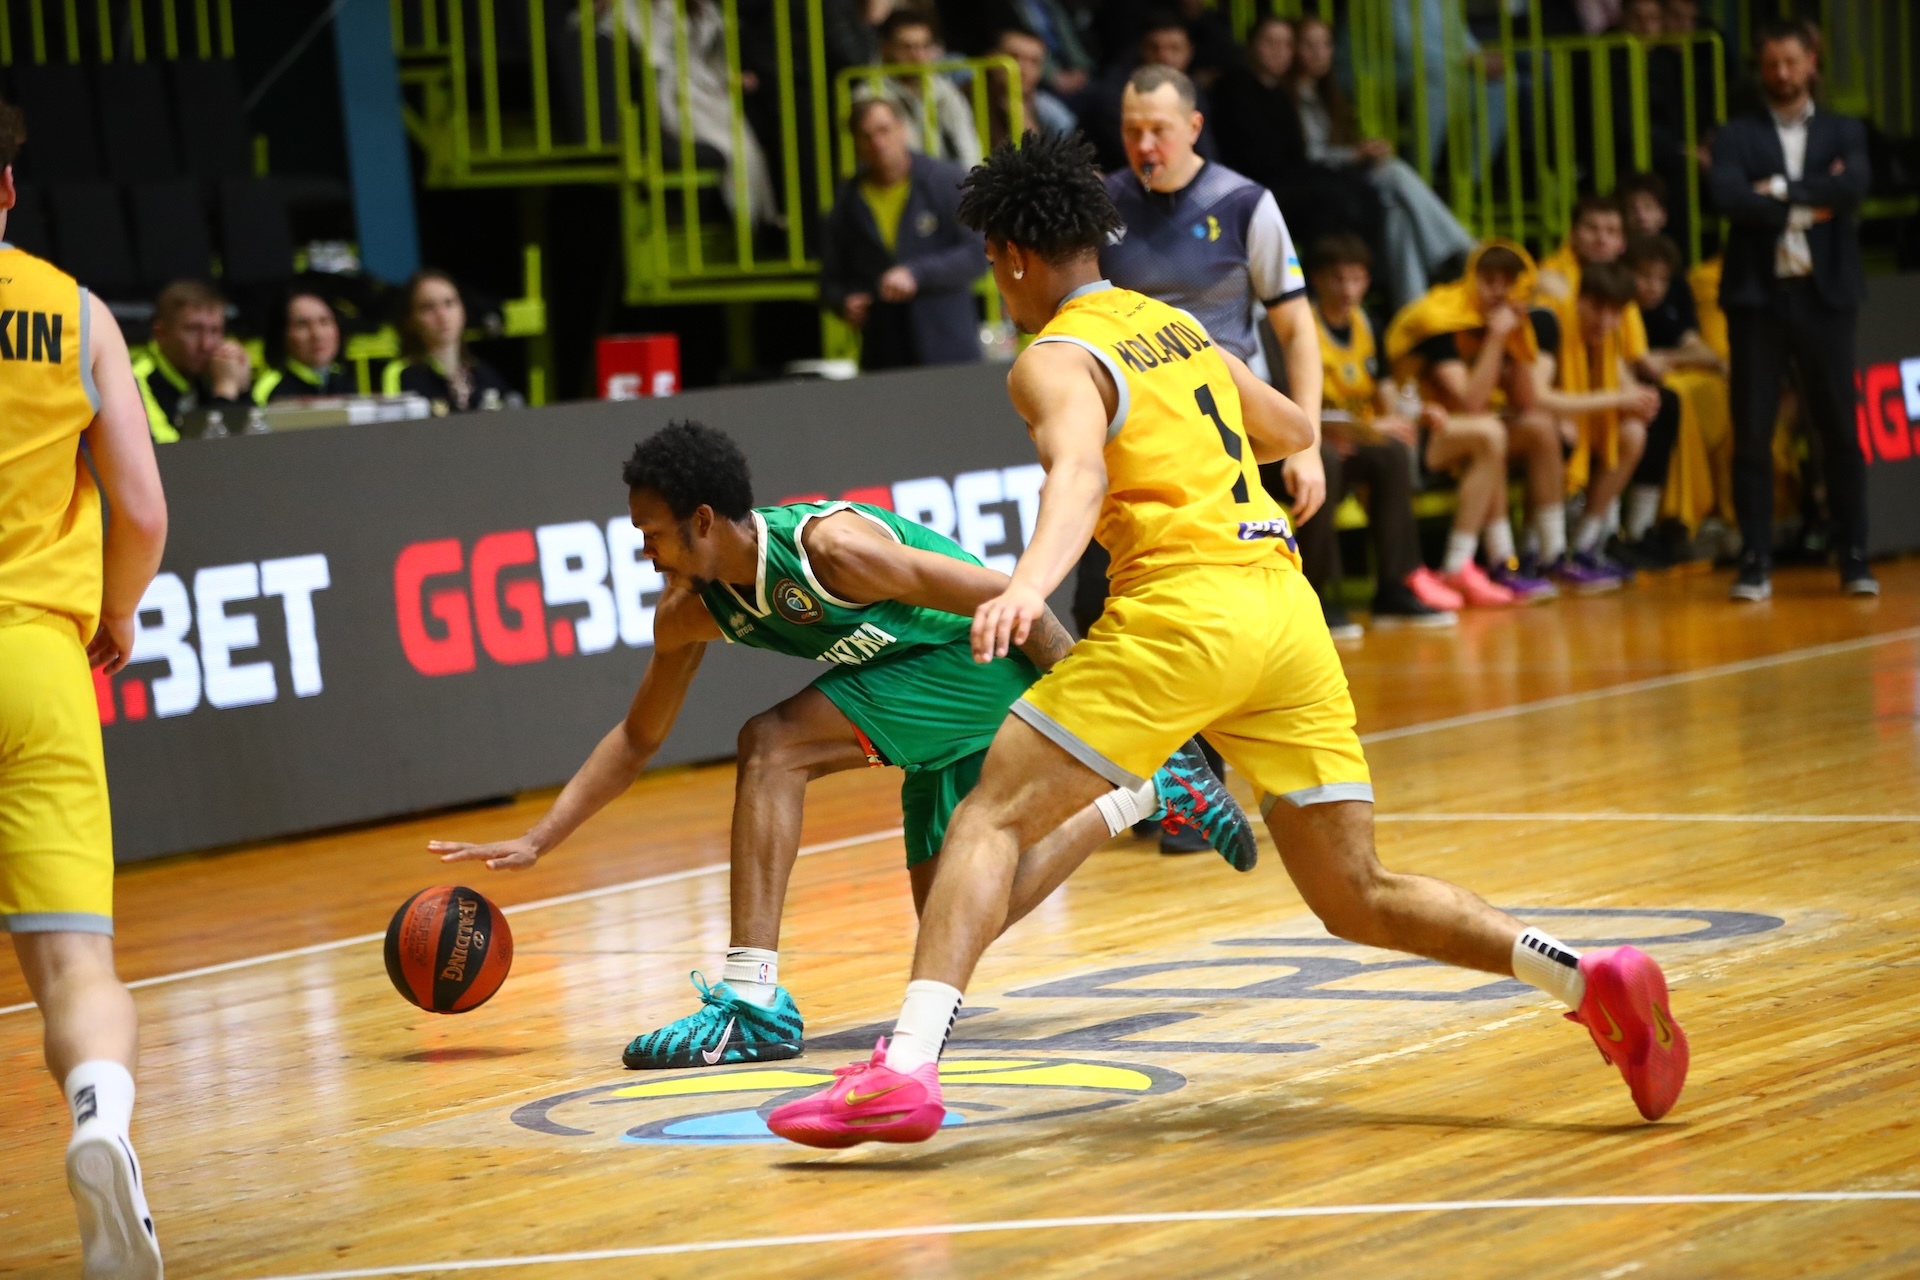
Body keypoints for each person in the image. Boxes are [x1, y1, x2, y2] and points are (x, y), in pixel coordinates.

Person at [764, 131, 1690, 1148]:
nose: (996, 279)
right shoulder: (1170, 325)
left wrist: (1028, 585)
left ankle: (903, 1070)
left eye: (993, 260)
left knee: (988, 818)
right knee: (1358, 893)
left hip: (1183, 611)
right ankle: (1583, 975)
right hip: (1285, 616)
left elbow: (1080, 472)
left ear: (1016, 256)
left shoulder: (1052, 359)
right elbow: (1290, 427)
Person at [430, 421, 1254, 1069]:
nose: (641, 550)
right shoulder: (688, 612)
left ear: (703, 522)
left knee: (772, 744)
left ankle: (750, 999)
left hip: (969, 656)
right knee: (955, 915)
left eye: (651, 532)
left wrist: (1103, 721)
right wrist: (541, 839)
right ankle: (1136, 796)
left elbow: (1017, 600)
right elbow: (639, 737)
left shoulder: (832, 552)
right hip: (912, 679)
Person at [2, 106, 170, 1277]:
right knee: (77, 968)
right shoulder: (75, 314)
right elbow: (143, 510)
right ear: (7, 189)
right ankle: (100, 1116)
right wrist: (115, 612)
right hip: (35, 661)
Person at [1086, 61, 1339, 836]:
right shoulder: (1102, 205)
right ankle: (1156, 779)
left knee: (1209, 606)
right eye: (1131, 130)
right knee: (1110, 605)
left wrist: (1306, 443)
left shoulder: (1244, 204)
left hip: (1226, 444)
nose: (1144, 144)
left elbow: (1296, 329)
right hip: (1135, 444)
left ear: (1193, 127)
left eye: (1159, 130)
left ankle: (1209, 788)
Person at [1708, 18, 1874, 600]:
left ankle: (1854, 555)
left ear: (1811, 63)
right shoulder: (1735, 135)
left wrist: (1776, 192)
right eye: (1771, 64)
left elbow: (1854, 187)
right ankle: (1755, 561)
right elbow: (1728, 197)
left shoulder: (1843, 129)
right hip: (1758, 299)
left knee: (1840, 429)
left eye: (1791, 62)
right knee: (1752, 431)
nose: (1781, 73)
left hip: (1825, 297)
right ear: (1761, 69)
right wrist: (1813, 199)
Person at [1384, 242, 1562, 603]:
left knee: (1539, 428)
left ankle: (1552, 555)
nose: (1499, 291)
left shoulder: (1497, 322)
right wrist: (1497, 337)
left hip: (1460, 429)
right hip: (1414, 430)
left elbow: (1525, 402)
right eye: (1489, 280)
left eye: (1508, 282)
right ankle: (1465, 564)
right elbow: (1470, 401)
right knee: (1489, 432)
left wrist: (1517, 338)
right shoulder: (1441, 321)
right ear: (1470, 280)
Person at [1304, 233, 1462, 627]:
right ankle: (1314, 597)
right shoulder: (1300, 326)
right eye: (1339, 279)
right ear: (1317, 280)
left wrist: (1418, 412)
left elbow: (1389, 396)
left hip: (1356, 440)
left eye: (1356, 279)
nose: (1348, 290)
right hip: (1312, 441)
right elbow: (1287, 400)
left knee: (1392, 449)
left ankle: (1395, 587)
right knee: (1326, 458)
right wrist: (1349, 429)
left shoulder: (1368, 324)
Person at [1291, 15, 1475, 310]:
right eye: (1309, 45)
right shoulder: (1289, 97)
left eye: (1325, 44)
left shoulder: (1330, 94)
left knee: (1399, 216)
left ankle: (1411, 312)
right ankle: (1467, 251)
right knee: (1395, 172)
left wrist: (1361, 149)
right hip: (1324, 185)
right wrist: (1355, 154)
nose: (1319, 53)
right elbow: (1307, 156)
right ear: (1295, 49)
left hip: (1347, 178)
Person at [820, 98, 986, 371]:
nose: (878, 143)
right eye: (866, 136)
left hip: (948, 349)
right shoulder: (847, 201)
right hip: (884, 353)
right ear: (856, 143)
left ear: (903, 129)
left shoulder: (944, 182)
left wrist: (916, 273)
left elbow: (977, 252)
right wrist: (844, 302)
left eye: (884, 130)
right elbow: (831, 279)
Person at [1208, 16, 1383, 269]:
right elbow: (1255, 157)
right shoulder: (1234, 87)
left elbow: (1296, 154)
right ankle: (1322, 278)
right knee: (1330, 200)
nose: (1279, 51)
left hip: (1290, 179)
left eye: (1287, 45)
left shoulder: (1280, 93)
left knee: (1362, 189)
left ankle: (1362, 275)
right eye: (1270, 42)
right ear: (1251, 46)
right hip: (1253, 185)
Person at [1527, 262, 1665, 580]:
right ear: (1579, 300)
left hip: (1563, 427)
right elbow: (1536, 397)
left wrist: (1642, 401)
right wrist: (1616, 399)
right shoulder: (1550, 321)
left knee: (1633, 432)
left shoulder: (1609, 338)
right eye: (1597, 309)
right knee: (1555, 430)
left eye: (1615, 313)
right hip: (1518, 422)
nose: (1605, 321)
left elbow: (1624, 389)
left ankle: (1586, 544)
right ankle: (1541, 550)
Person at [1625, 233, 1734, 546]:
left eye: (1661, 279)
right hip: (1615, 398)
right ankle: (1643, 525)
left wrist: (1666, 357)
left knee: (1698, 399)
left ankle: (1650, 527)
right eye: (1645, 277)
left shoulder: (1661, 310)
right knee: (1665, 404)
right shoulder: (1619, 306)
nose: (1653, 287)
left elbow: (1706, 355)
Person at [381, 269, 516, 415]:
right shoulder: (401, 374)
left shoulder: (486, 376)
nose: (442, 315)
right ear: (410, 319)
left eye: (449, 303)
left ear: (463, 311)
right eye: (428, 307)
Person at [131, 280, 251, 442]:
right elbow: (170, 451)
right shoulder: (135, 381)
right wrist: (224, 393)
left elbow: (257, 443)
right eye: (193, 330)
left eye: (215, 331)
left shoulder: (217, 370)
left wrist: (242, 390)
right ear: (161, 333)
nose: (206, 345)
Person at [867, 10, 983, 170]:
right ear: (885, 48)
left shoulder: (944, 89)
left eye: (924, 46)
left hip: (941, 181)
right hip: (894, 181)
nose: (917, 56)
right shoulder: (869, 94)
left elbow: (967, 145)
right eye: (907, 47)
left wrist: (971, 182)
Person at [251, 288, 356, 404]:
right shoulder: (269, 390)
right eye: (302, 325)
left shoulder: (343, 380)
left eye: (324, 321)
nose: (317, 335)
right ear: (281, 333)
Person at [987, 26, 1077, 149]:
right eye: (1014, 57)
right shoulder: (966, 100)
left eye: (1034, 62)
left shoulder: (1050, 112)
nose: (1023, 69)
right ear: (990, 57)